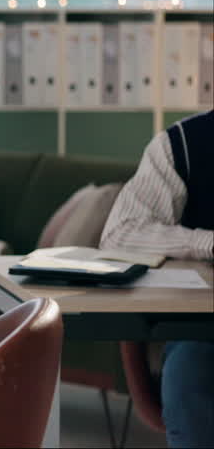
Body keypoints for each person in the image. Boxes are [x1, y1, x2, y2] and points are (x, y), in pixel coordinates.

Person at [100, 110, 213, 449]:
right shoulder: (181, 145)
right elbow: (120, 234)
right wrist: (207, 243)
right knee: (191, 371)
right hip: (205, 333)